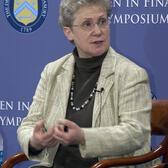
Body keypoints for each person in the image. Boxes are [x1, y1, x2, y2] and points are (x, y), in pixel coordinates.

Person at [17, 0, 153, 167]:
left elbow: (135, 133)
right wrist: (35, 141)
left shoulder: (131, 74)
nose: (98, 31)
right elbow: (29, 124)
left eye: (102, 22)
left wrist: (83, 136)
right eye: (87, 24)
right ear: (69, 32)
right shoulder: (53, 71)